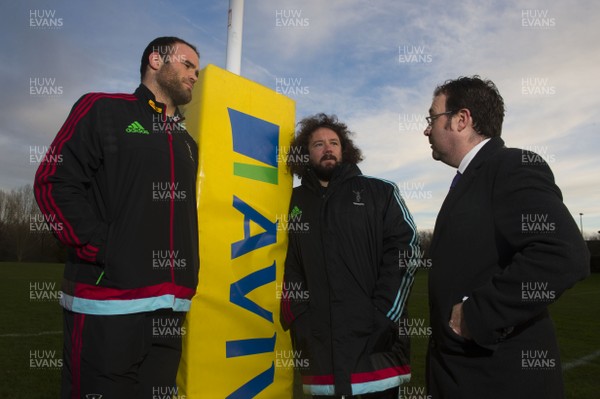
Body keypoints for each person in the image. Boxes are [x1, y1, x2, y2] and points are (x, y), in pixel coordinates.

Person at [34, 36, 201, 398]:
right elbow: (53, 181)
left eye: (197, 70)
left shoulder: (188, 142)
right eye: (188, 64)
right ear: (156, 60)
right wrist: (101, 248)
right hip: (107, 303)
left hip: (170, 310)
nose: (194, 75)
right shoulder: (103, 108)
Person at [423, 76, 590, 398]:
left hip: (498, 379)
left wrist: (475, 315)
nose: (427, 129)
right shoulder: (470, 178)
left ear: (461, 120)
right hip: (463, 375)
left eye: (432, 118)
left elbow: (563, 252)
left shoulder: (510, 166)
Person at [280, 113, 419, 398]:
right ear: (305, 154)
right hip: (320, 359)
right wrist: (299, 318)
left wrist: (383, 314)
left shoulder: (380, 191)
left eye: (334, 142)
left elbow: (407, 250)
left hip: (376, 355)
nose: (327, 148)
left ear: (345, 150)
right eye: (318, 144)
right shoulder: (292, 202)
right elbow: (289, 264)